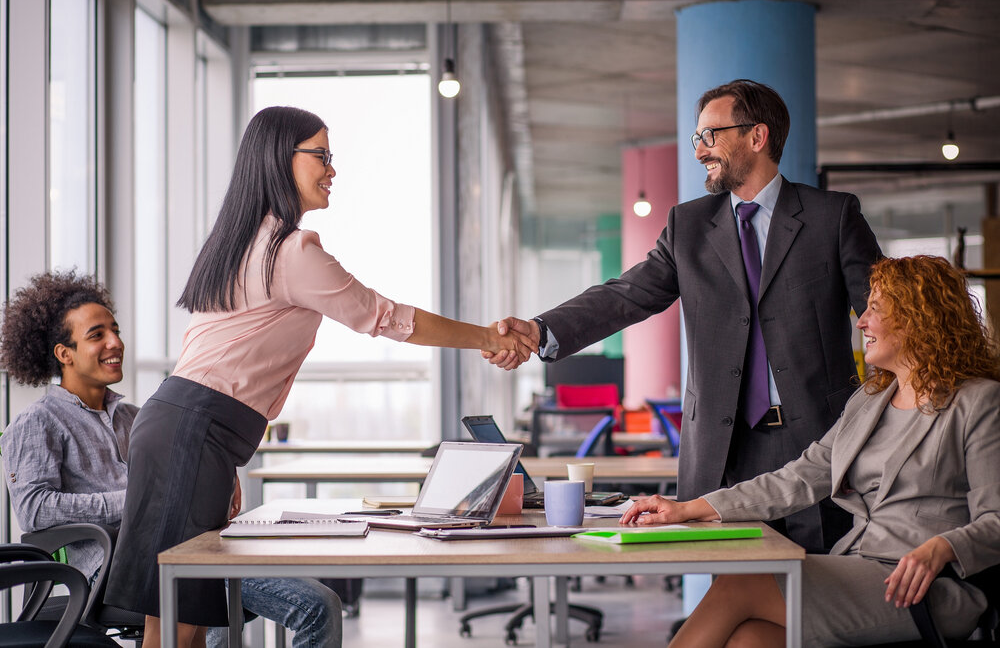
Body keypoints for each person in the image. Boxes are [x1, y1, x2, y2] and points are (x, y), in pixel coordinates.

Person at [100, 105, 533, 647]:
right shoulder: (290, 250)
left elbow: (205, 358)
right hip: (195, 430)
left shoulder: (237, 243)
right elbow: (389, 318)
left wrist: (220, 458)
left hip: (184, 426)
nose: (333, 169)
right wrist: (490, 338)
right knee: (180, 627)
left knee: (170, 619)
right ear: (282, 160)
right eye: (321, 155)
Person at [486, 79, 881, 553]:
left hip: (816, 442)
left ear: (757, 137)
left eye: (711, 136)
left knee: (815, 587)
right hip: (722, 448)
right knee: (733, 587)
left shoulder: (831, 216)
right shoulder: (689, 225)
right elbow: (626, 295)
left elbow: (885, 313)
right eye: (698, 138)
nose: (700, 151)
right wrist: (539, 330)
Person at [621, 255, 1000, 646]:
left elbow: (997, 518)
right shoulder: (869, 402)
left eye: (876, 308)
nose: (862, 321)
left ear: (919, 317)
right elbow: (798, 478)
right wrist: (687, 508)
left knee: (742, 583)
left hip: (929, 585)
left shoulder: (978, 402)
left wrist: (942, 547)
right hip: (857, 565)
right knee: (751, 639)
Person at [0, 271, 343, 648]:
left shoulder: (140, 417)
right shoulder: (38, 422)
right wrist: (143, 501)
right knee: (316, 607)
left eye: (115, 330)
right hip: (112, 568)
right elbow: (35, 511)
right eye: (97, 335)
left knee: (224, 605)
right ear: (64, 354)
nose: (115, 342)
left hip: (185, 544)